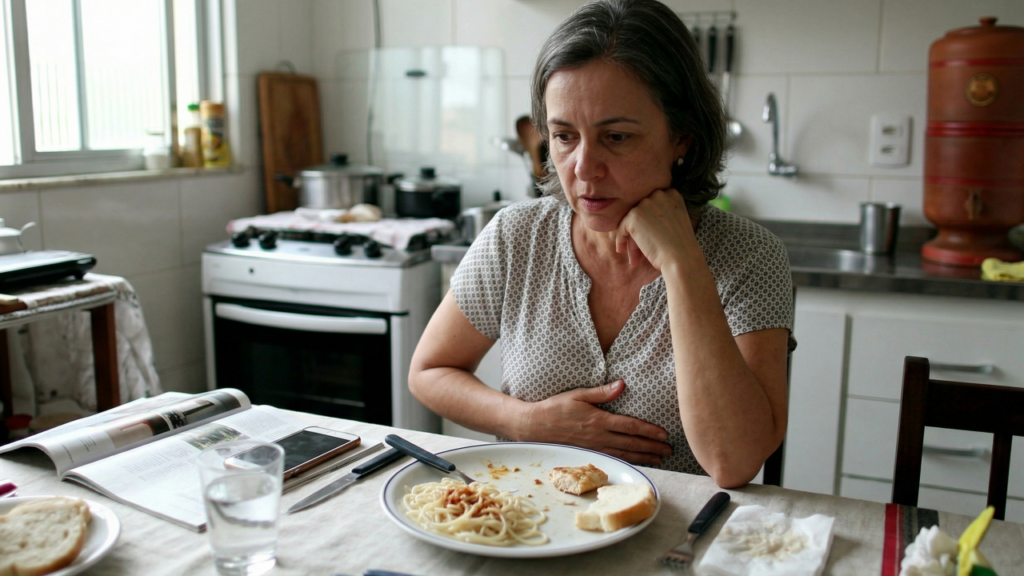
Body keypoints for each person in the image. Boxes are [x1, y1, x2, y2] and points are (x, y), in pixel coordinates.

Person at [408, 0, 794, 488]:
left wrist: (681, 264)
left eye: (616, 137)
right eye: (564, 136)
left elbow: (733, 462)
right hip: (526, 518)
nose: (585, 168)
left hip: (679, 529)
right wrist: (525, 421)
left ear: (682, 138)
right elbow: (429, 371)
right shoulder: (516, 236)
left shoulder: (750, 256)